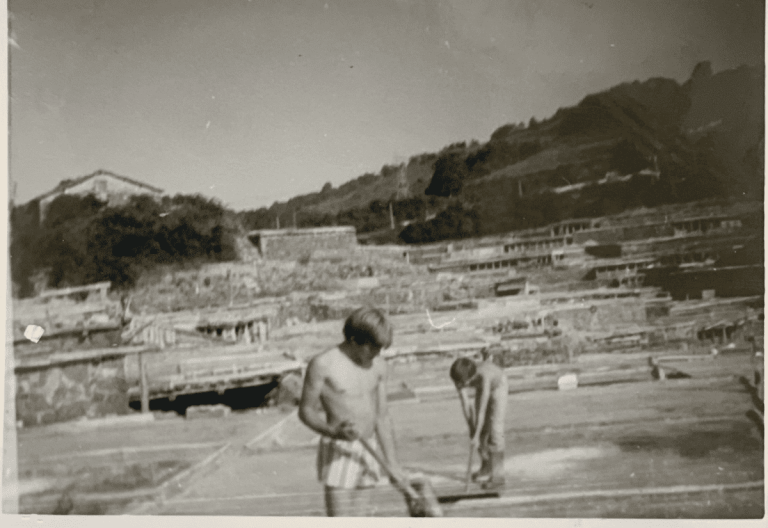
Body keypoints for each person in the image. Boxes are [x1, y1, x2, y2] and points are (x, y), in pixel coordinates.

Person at [299, 306, 404, 516]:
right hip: (339, 448)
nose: (378, 353)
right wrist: (334, 432)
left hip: (370, 448)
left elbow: (382, 417)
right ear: (355, 340)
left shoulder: (379, 366)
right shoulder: (323, 364)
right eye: (373, 347)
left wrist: (392, 463)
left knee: (362, 517)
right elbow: (306, 411)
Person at [449, 355, 508, 489]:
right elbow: (465, 403)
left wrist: (475, 436)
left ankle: (498, 477)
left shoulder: (484, 377)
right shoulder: (459, 376)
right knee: (480, 431)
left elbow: (482, 410)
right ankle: (487, 466)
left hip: (498, 387)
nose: (459, 386)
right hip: (481, 388)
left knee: (495, 431)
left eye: (462, 384)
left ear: (470, 379)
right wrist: (472, 430)